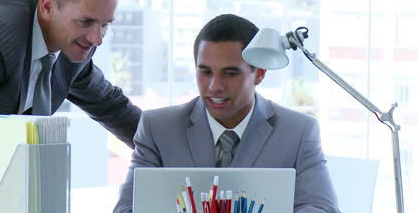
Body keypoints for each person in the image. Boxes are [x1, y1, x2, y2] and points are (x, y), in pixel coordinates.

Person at [0, 0, 141, 212]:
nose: (97, 39)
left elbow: (112, 106)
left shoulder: (72, 45)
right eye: (86, 21)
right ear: (47, 6)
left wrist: (174, 149)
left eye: (105, 25)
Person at [114, 14, 340, 213]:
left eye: (230, 73)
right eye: (205, 72)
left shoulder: (298, 132)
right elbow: (126, 208)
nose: (214, 86)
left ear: (259, 73)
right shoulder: (158, 128)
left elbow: (323, 208)